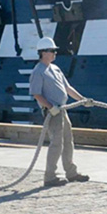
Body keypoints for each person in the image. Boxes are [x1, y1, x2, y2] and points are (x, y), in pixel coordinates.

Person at [29, 37, 89, 187]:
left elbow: (67, 88)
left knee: (68, 142)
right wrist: (50, 107)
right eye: (52, 51)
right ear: (43, 52)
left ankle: (71, 173)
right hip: (52, 113)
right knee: (56, 144)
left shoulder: (55, 69)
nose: (55, 53)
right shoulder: (38, 71)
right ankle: (49, 177)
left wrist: (82, 99)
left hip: (61, 111)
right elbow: (36, 94)